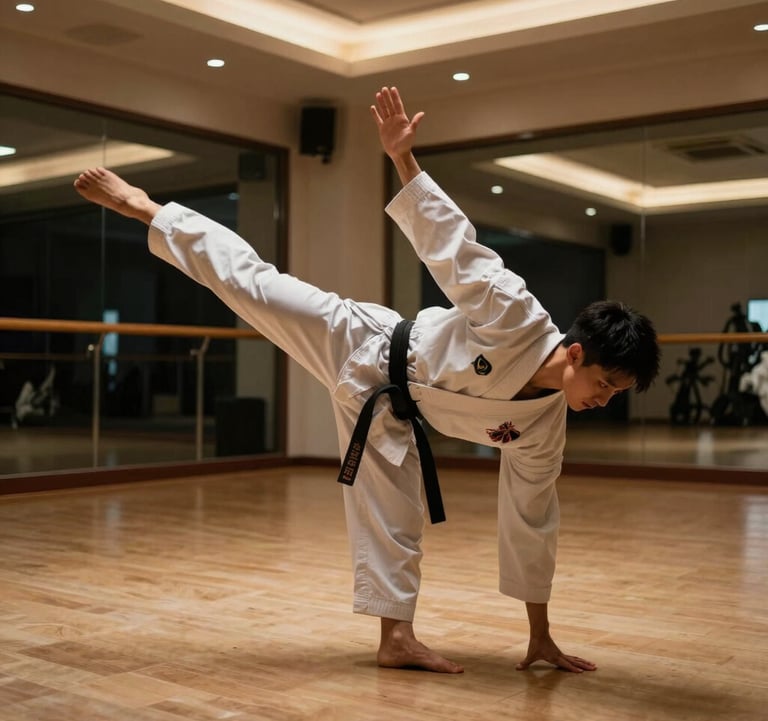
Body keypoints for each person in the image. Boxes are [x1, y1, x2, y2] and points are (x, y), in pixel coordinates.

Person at [74, 86, 660, 675]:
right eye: (605, 383)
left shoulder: (543, 429)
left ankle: (396, 639)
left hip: (392, 414)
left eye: (615, 394)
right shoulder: (515, 313)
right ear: (577, 353)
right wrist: (402, 156)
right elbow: (451, 245)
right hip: (366, 342)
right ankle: (147, 206)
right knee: (255, 284)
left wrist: (541, 636)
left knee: (395, 515)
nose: (603, 400)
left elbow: (532, 523)